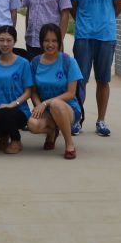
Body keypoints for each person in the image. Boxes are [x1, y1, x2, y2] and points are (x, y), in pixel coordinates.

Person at [68, 0, 121, 137]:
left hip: (106, 36)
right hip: (83, 36)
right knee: (80, 81)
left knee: (103, 80)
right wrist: (86, 22)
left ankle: (101, 120)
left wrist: (105, 21)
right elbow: (73, 8)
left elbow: (117, 6)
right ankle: (77, 120)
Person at [27, 24, 82, 159]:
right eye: (46, 40)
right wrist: (39, 105)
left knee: (56, 104)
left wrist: (45, 103)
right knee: (32, 124)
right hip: (46, 111)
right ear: (41, 42)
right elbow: (33, 91)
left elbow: (71, 93)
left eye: (54, 41)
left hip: (68, 109)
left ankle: (69, 144)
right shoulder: (35, 62)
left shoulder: (68, 61)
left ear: (59, 42)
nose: (50, 44)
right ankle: (52, 132)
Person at [0, 26, 33, 154]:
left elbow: (28, 91)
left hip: (19, 111)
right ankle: (4, 135)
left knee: (5, 113)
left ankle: (16, 140)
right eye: (2, 40)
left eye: (9, 40)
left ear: (14, 41)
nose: (5, 44)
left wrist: (11, 105)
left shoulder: (23, 63)